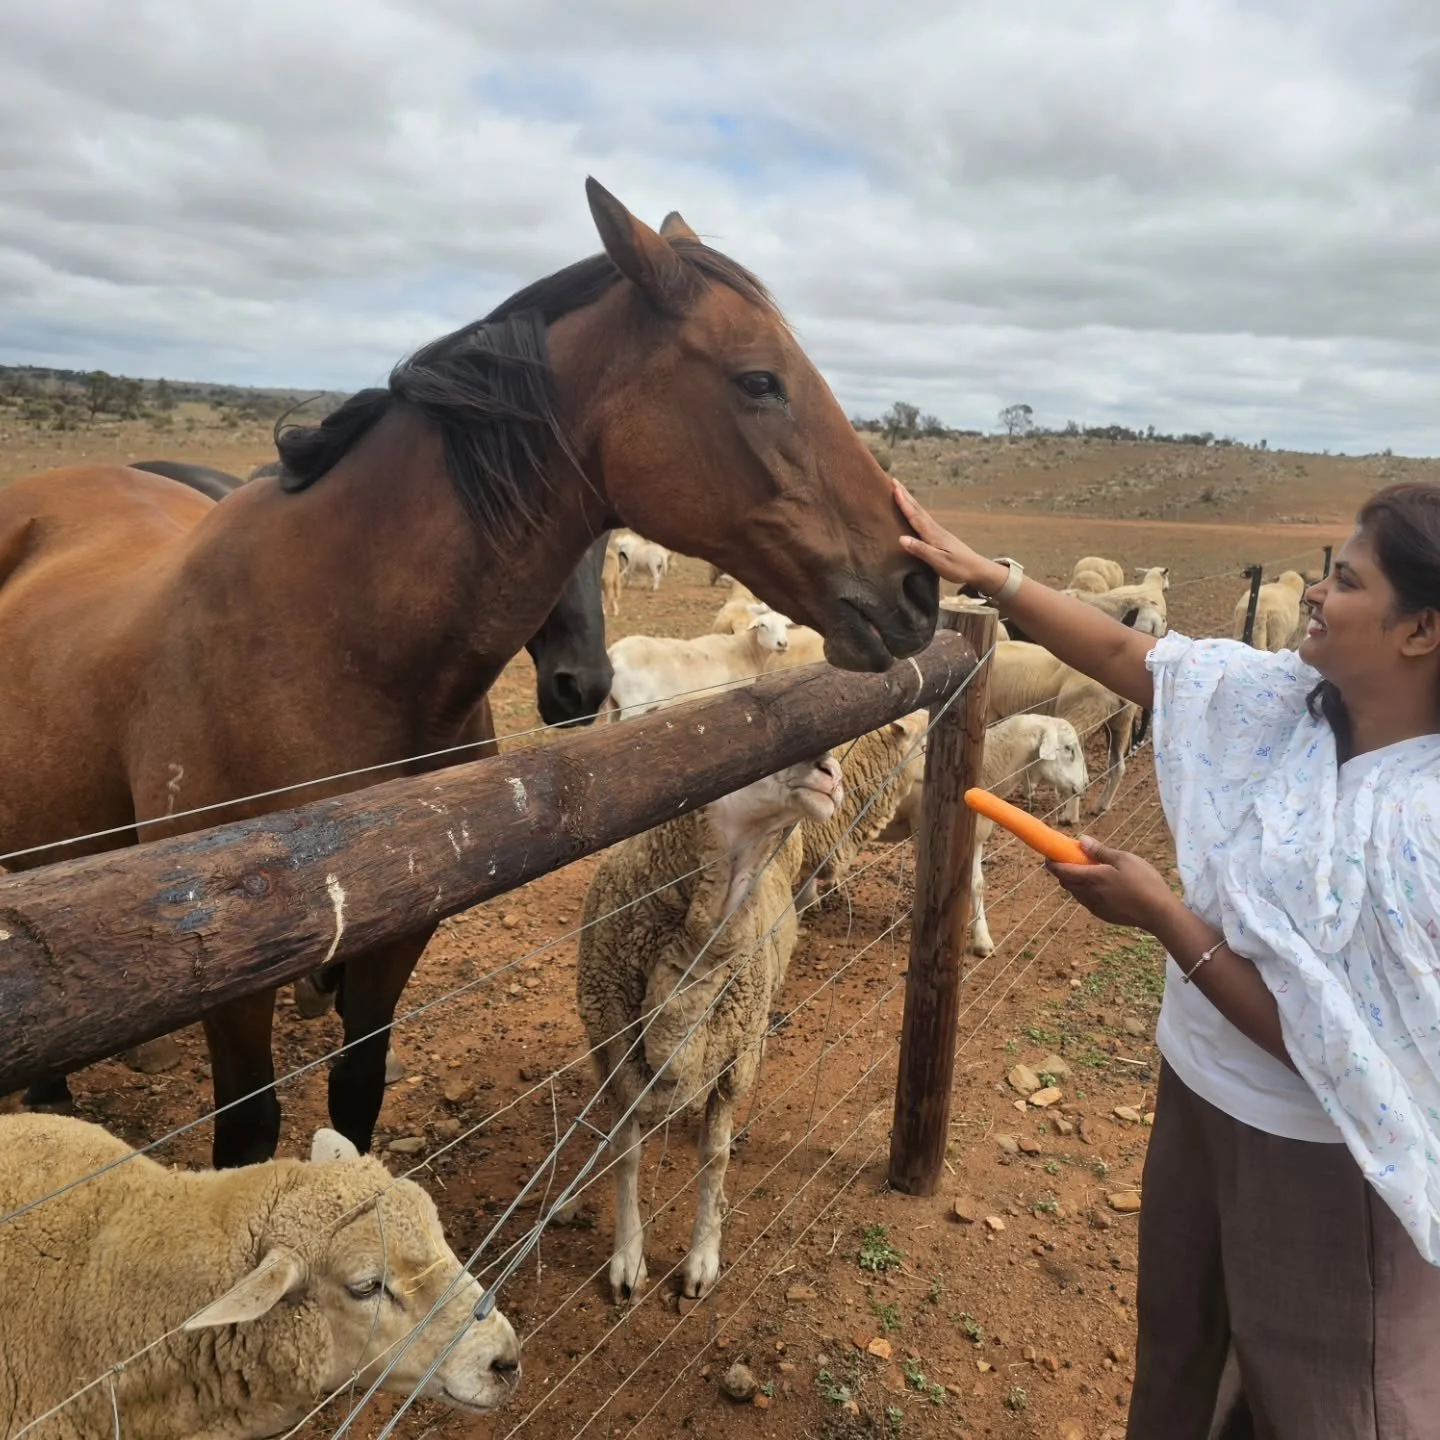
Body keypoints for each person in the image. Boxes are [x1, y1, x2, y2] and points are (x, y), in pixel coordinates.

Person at [892, 478, 1440, 1440]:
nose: (1315, 592)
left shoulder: (1420, 830)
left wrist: (1164, 917)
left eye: (1345, 581)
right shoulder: (1285, 704)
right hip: (1198, 1096)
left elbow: (1339, 1047)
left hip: (1325, 1163)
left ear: (1420, 631)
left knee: (1333, 1395)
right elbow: (1125, 652)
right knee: (1179, 1351)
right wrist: (995, 578)